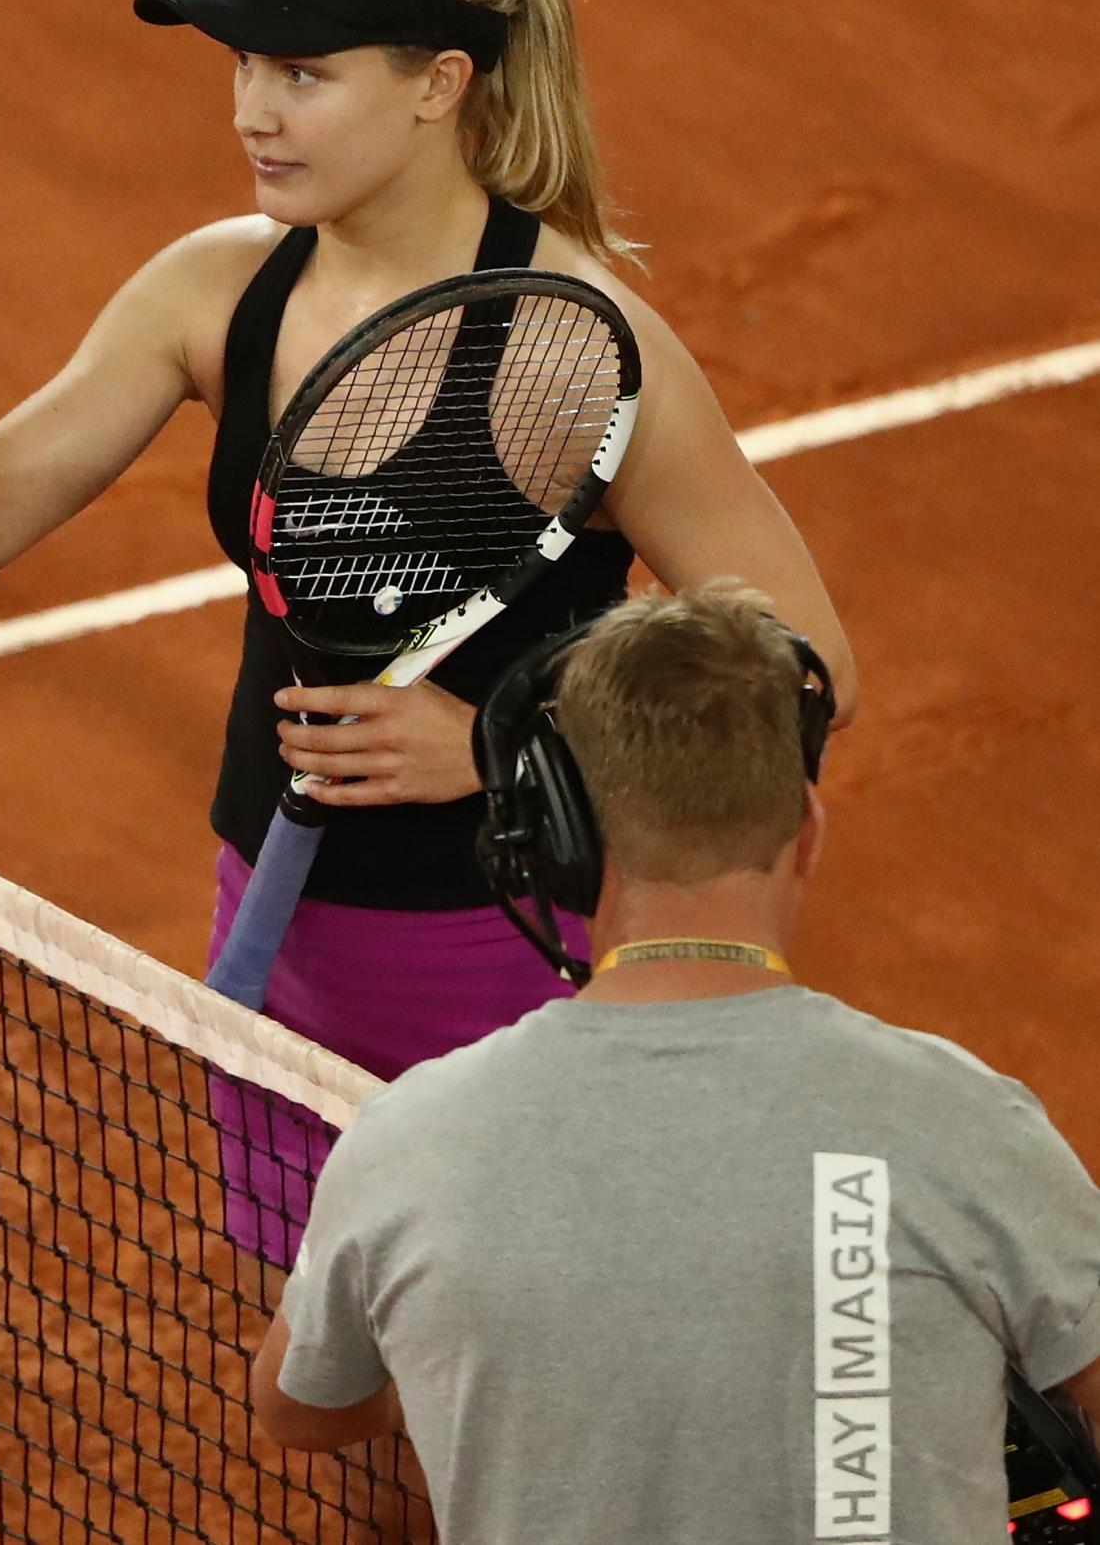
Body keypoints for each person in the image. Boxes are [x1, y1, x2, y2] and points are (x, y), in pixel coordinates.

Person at [0, 0, 858, 1275]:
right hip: (272, 923)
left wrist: (509, 741)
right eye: (244, 65)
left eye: (303, 73)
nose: (254, 110)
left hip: (510, 955)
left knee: (497, 1387)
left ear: (439, 81)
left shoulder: (572, 344)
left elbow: (805, 664)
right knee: (335, 1387)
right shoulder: (217, 290)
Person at [252, 584, 1100, 1542]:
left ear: (560, 844)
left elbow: (303, 1405)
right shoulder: (970, 1124)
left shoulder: (409, 1141)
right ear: (808, 831)